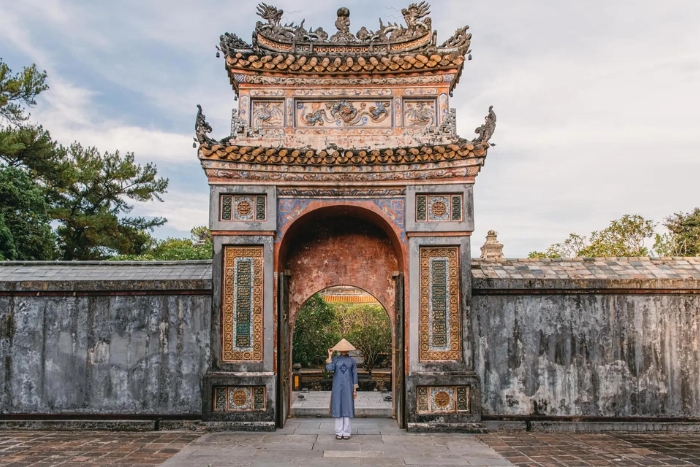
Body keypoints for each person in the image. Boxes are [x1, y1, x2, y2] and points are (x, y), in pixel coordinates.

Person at [325, 338, 358, 440]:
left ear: (348, 350)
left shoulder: (352, 361)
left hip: (348, 387)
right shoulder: (335, 359)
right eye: (341, 349)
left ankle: (347, 432)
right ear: (339, 350)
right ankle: (339, 431)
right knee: (338, 407)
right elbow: (329, 368)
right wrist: (330, 356)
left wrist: (355, 389)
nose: (343, 351)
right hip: (337, 387)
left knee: (347, 408)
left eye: (345, 349)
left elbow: (354, 375)